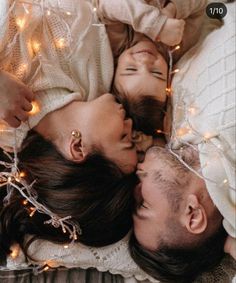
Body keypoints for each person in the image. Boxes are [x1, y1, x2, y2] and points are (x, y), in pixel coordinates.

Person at [129, 1, 236, 281]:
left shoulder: (174, 127)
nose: (135, 184)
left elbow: (218, 13)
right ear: (193, 214)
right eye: (144, 205)